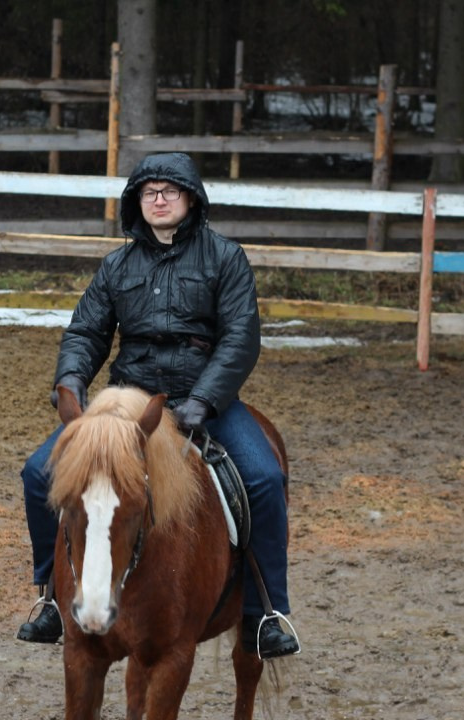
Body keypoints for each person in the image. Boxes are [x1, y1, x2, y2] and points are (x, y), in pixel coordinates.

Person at [16, 152, 300, 659]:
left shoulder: (225, 258)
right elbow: (86, 331)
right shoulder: (117, 265)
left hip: (203, 400)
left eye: (170, 191)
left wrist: (204, 400)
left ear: (191, 198)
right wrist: (71, 379)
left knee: (263, 478)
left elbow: (240, 339)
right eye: (149, 192)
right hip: (128, 401)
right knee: (39, 473)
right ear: (137, 202)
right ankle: (51, 600)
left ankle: (265, 614)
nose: (160, 200)